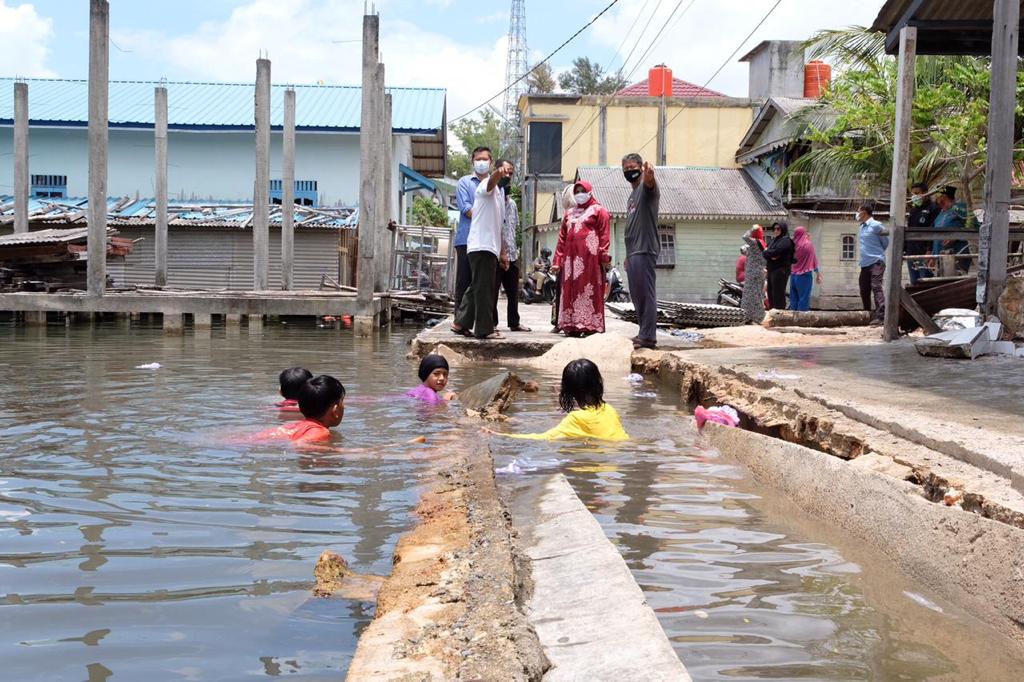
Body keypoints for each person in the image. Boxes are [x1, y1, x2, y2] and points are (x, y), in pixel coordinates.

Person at [450, 159, 513, 340]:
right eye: (505, 172)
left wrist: (502, 252)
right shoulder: (487, 185)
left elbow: (499, 228)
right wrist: (498, 173)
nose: (507, 176)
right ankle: (485, 329)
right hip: (481, 245)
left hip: (489, 247)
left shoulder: (500, 197)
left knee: (477, 286)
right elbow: (492, 181)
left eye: (510, 174)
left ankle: (460, 323)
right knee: (485, 289)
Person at [494, 359, 627, 441]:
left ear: (567, 389)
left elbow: (545, 437)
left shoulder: (576, 418)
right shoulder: (609, 409)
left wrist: (502, 435)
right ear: (599, 383)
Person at [550, 180, 611, 337]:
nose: (579, 194)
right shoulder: (568, 213)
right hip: (570, 260)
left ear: (590, 191)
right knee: (570, 289)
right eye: (576, 192)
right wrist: (557, 261)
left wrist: (604, 256)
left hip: (590, 258)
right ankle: (571, 325)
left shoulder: (599, 211)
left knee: (587, 290)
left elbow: (604, 236)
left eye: (582, 191)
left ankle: (588, 326)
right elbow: (562, 239)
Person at [621, 153, 660, 350]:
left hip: (645, 248)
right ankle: (642, 331)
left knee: (646, 294)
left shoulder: (646, 188)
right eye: (626, 169)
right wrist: (627, 256)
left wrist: (649, 175)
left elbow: (650, 183)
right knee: (637, 295)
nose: (630, 172)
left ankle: (648, 336)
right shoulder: (631, 196)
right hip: (633, 252)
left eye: (633, 168)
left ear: (640, 168)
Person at [453, 147, 493, 309]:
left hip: (488, 241)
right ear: (472, 161)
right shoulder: (464, 182)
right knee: (464, 280)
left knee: (485, 284)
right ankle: (459, 319)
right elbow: (466, 209)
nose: (481, 162)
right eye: (478, 159)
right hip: (466, 239)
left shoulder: (496, 185)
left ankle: (483, 321)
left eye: (485, 159)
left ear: (491, 162)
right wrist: (487, 214)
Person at [254, 375, 346, 444]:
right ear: (335, 409)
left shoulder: (295, 426)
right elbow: (300, 445)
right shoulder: (321, 432)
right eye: (342, 401)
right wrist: (341, 451)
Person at [492, 179, 531, 332]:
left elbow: (514, 229)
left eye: (509, 185)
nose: (507, 188)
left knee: (513, 292)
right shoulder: (493, 203)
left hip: (512, 254)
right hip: (496, 254)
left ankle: (514, 323)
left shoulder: (513, 204)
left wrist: (514, 252)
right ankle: (492, 323)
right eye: (504, 186)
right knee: (493, 292)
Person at [857, 204, 889, 325]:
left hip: (877, 261)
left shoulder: (877, 225)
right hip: (865, 263)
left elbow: (886, 242)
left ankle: (882, 316)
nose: (857, 214)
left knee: (876, 285)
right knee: (864, 289)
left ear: (864, 212)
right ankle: (867, 314)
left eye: (858, 211)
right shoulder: (861, 227)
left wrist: (877, 253)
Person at [933, 185, 971, 274]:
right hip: (941, 257)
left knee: (956, 284)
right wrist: (933, 255)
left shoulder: (960, 208)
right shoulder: (941, 213)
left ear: (944, 197)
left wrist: (956, 235)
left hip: (957, 255)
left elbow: (974, 226)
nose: (935, 199)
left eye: (937, 196)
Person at [906, 182, 936, 284]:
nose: (914, 196)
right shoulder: (913, 210)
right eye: (913, 194)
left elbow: (935, 231)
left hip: (925, 253)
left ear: (925, 193)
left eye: (917, 193)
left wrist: (930, 250)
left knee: (926, 282)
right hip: (911, 253)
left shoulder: (933, 208)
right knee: (914, 283)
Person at [788, 226, 821, 312]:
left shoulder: (792, 245)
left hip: (793, 274)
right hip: (805, 275)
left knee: (794, 298)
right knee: (803, 297)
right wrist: (818, 274)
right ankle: (802, 318)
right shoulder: (808, 245)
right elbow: (813, 259)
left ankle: (792, 318)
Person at [763, 222, 795, 310]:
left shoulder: (786, 241)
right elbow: (766, 253)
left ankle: (779, 315)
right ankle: (773, 314)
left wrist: (769, 253)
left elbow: (775, 252)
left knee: (778, 293)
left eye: (778, 229)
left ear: (783, 229)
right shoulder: (774, 240)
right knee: (771, 293)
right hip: (771, 269)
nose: (776, 231)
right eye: (774, 229)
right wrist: (770, 254)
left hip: (780, 270)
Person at [741, 225, 767, 324]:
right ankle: (756, 317)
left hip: (752, 273)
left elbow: (744, 237)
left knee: (749, 295)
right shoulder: (762, 243)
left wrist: (751, 229)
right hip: (760, 272)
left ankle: (749, 316)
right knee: (758, 295)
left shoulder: (755, 242)